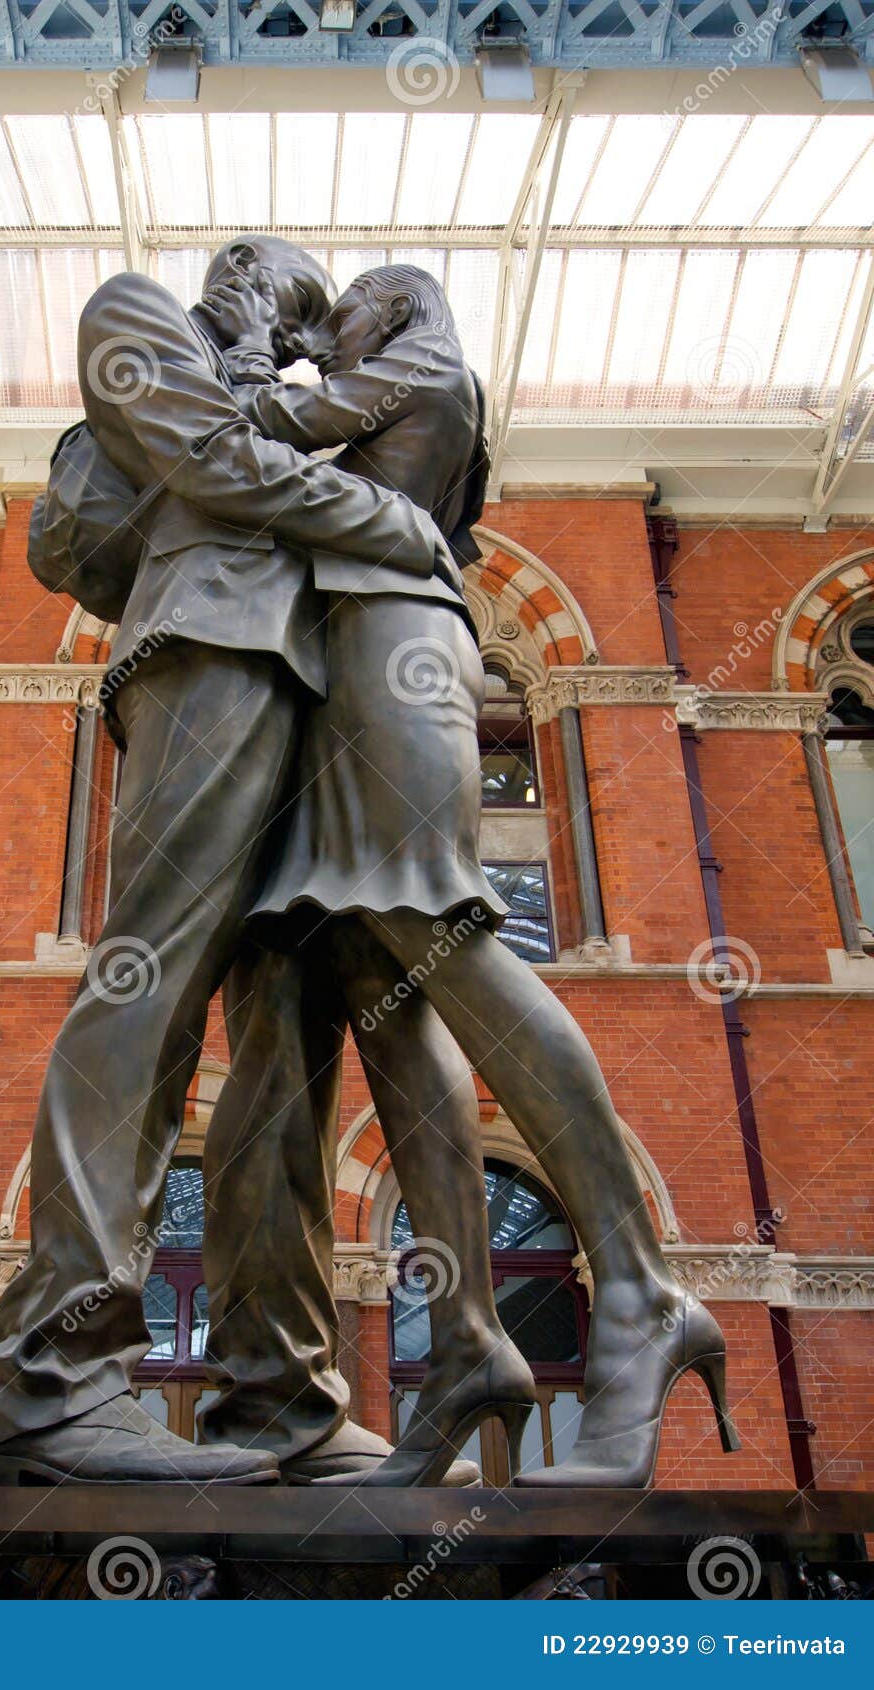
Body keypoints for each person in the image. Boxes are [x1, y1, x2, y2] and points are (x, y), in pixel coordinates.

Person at [198, 265, 740, 1488]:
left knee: (431, 920)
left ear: (394, 307)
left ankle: (644, 1291)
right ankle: (471, 1344)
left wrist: (239, 348)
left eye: (342, 323)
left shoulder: (423, 364)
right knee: (371, 971)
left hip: (396, 654)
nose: (326, 344)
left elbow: (258, 435)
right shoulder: (398, 383)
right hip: (346, 666)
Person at [0, 238, 454, 1486]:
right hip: (208, 655)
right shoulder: (134, 317)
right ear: (235, 272)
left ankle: (276, 1400)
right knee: (151, 986)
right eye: (290, 304)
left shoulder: (284, 400)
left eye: (309, 329)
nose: (294, 338)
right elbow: (196, 472)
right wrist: (391, 523)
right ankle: (54, 1380)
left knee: (290, 1048)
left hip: (314, 689)